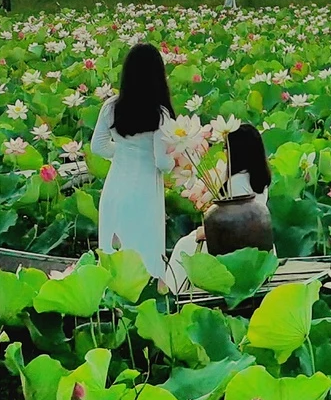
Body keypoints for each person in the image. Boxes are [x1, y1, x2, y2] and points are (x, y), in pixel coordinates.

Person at [91, 43, 175, 280]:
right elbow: (162, 162)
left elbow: (97, 147)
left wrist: (121, 152)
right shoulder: (160, 114)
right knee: (145, 258)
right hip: (145, 195)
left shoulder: (111, 106)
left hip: (115, 189)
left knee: (113, 258)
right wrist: (180, 159)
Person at [161, 122, 274, 291]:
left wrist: (205, 231)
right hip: (260, 245)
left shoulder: (235, 183)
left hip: (233, 247)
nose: (224, 152)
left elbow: (234, 225)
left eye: (226, 148)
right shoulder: (260, 178)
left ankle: (173, 292)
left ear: (237, 151)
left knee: (184, 245)